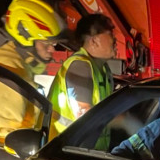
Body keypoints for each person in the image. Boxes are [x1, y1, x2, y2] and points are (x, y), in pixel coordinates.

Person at [0, 0, 65, 143]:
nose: (51, 50)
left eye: (54, 44)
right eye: (47, 43)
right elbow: (10, 137)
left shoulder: (19, 63)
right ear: (25, 37)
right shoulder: (9, 68)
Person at [48, 14, 116, 148]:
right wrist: (126, 122)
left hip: (90, 153)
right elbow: (83, 114)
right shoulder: (80, 66)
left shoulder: (103, 69)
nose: (114, 39)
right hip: (68, 154)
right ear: (94, 41)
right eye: (110, 35)